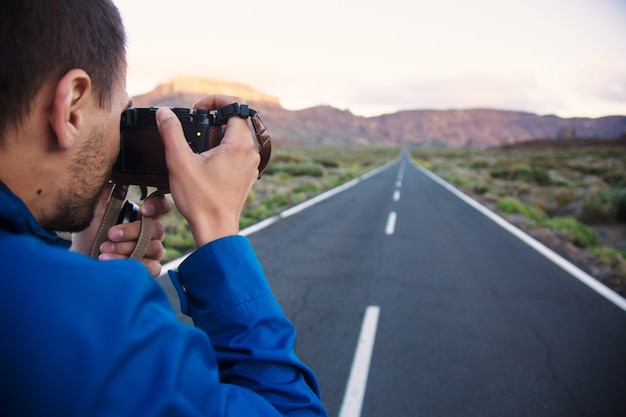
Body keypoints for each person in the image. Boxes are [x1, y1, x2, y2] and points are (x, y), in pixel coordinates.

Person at [0, 1, 327, 416]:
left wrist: (77, 264)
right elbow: (290, 409)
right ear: (71, 106)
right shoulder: (83, 320)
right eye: (120, 112)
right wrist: (217, 226)